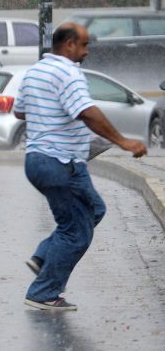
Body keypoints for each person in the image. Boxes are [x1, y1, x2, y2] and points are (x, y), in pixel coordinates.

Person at [13, 22, 147, 311]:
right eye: (84, 45)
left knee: (94, 210)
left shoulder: (35, 71)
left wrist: (47, 107)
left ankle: (45, 256)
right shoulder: (69, 72)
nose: (87, 51)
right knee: (76, 231)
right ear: (69, 44)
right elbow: (87, 111)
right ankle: (43, 292)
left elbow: (19, 110)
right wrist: (124, 141)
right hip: (60, 162)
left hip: (39, 160)